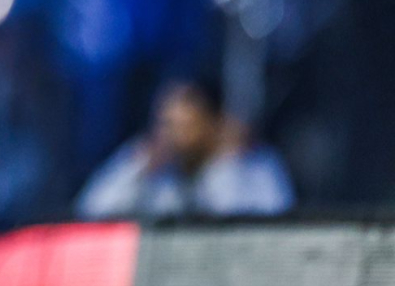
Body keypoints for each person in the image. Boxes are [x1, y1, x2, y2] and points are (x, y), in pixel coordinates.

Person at [76, 79, 294, 221]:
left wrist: (225, 164)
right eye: (168, 125)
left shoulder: (257, 164)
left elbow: (259, 227)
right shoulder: (156, 173)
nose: (176, 136)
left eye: (187, 126)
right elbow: (89, 211)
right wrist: (137, 165)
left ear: (213, 122)